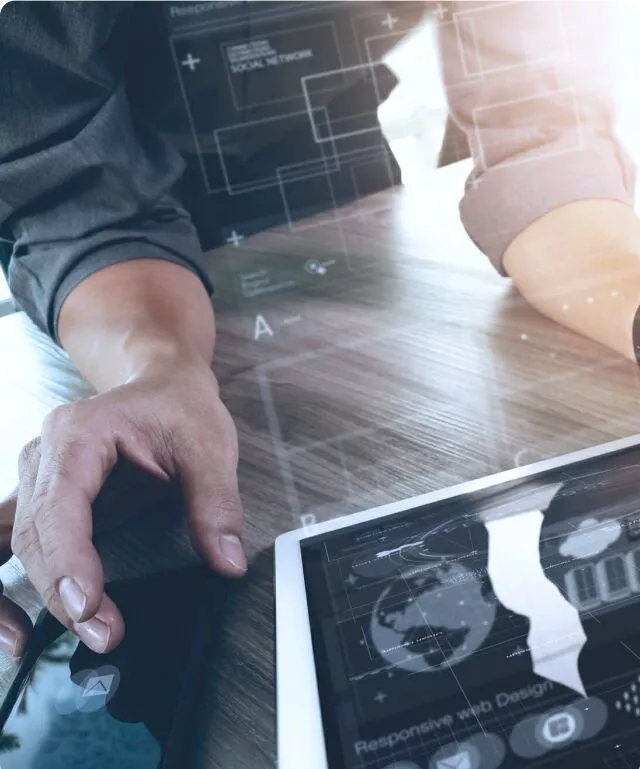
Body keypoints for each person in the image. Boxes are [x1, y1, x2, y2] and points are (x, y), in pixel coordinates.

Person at [0, 0, 638, 658]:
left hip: (342, 182)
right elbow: (79, 197)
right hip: (113, 291)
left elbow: (542, 148)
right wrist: (155, 369)